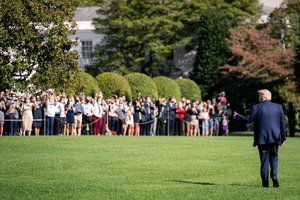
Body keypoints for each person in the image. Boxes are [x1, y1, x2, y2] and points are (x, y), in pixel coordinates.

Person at [233, 89, 286, 188]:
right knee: (274, 157)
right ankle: (274, 175)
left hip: (262, 138)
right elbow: (283, 123)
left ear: (262, 97)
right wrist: (283, 137)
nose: (258, 98)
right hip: (275, 137)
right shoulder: (278, 107)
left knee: (264, 160)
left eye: (259, 96)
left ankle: (265, 184)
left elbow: (248, 119)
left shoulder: (256, 107)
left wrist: (237, 116)